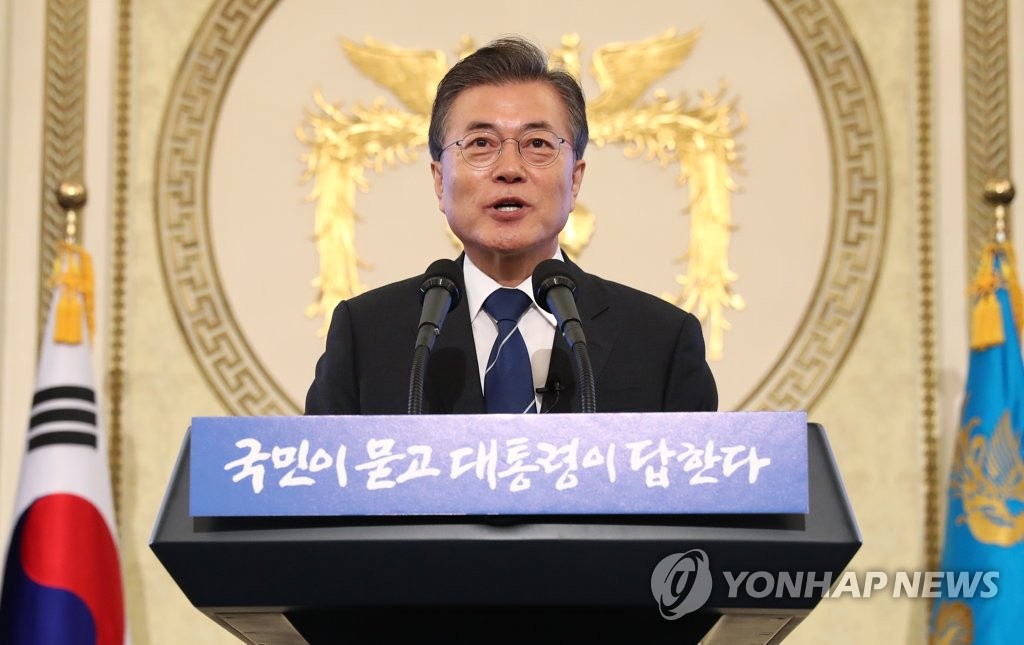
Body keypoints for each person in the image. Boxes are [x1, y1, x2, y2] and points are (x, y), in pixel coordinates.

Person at [305, 36, 717, 415]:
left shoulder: (661, 341)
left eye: (537, 144)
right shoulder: (366, 336)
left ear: (575, 180)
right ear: (439, 180)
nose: (509, 169)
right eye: (481, 144)